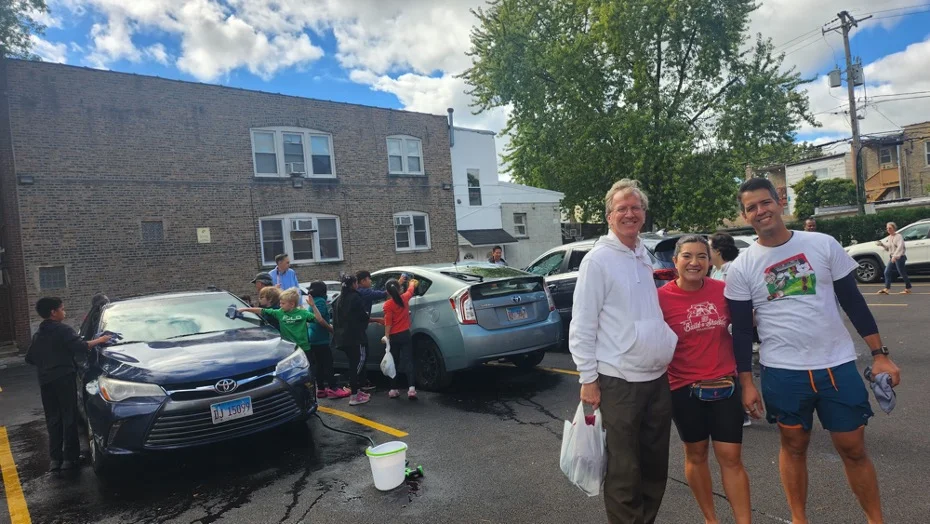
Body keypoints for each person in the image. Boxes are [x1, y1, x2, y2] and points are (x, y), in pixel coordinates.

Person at [725, 177, 901, 524]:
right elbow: (743, 330)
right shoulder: (741, 267)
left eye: (765, 202)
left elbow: (852, 301)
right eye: (752, 208)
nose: (761, 211)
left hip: (836, 365)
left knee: (853, 448)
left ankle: (876, 520)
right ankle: (799, 518)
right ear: (745, 216)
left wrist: (880, 353)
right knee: (793, 447)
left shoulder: (822, 244)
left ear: (780, 202)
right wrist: (745, 382)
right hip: (783, 372)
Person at [569, 178, 679, 524]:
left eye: (636, 207)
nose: (629, 213)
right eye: (622, 208)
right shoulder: (597, 260)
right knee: (623, 469)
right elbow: (583, 323)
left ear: (644, 214)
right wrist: (588, 378)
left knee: (654, 464)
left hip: (657, 377)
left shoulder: (642, 253)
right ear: (609, 216)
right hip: (619, 380)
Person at [658, 236, 751, 524]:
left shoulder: (724, 291)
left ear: (710, 262)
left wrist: (748, 384)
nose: (694, 263)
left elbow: (748, 327)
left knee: (731, 457)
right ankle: (711, 520)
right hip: (683, 388)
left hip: (725, 383)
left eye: (701, 256)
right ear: (675, 262)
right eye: (687, 256)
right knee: (696, 454)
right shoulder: (660, 298)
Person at [26, 297, 112, 471]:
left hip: (45, 380)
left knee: (53, 418)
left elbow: (30, 358)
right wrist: (101, 340)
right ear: (53, 312)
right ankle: (70, 459)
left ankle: (55, 459)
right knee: (69, 416)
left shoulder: (39, 333)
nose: (64, 312)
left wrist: (47, 362)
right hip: (63, 378)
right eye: (62, 309)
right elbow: (81, 346)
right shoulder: (63, 330)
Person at [238, 288, 321, 357]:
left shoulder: (303, 313)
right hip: (288, 348)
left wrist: (313, 306)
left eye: (283, 303)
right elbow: (261, 310)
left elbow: (318, 319)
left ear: (292, 304)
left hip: (304, 348)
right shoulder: (279, 312)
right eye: (280, 303)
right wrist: (245, 309)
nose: (280, 305)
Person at [332, 275, 371, 406]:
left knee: (353, 362)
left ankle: (358, 391)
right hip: (355, 337)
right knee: (358, 363)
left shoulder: (338, 300)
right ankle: (354, 394)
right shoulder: (355, 297)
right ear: (354, 284)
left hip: (342, 338)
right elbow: (363, 315)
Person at [307, 281, 349, 399]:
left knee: (319, 365)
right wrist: (331, 329)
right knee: (328, 364)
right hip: (320, 338)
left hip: (313, 338)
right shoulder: (320, 301)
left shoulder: (313, 301)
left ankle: (320, 389)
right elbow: (319, 319)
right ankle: (333, 388)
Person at [383, 276, 420, 400]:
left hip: (394, 336)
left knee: (394, 362)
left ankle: (393, 389)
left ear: (387, 292)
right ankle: (411, 389)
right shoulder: (405, 298)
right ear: (399, 289)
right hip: (405, 334)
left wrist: (387, 337)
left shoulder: (388, 305)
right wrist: (411, 283)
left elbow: (388, 322)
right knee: (409, 360)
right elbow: (410, 290)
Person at [356, 270, 389, 391]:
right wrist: (397, 285)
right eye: (369, 279)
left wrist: (376, 320)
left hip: (359, 329)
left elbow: (362, 316)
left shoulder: (360, 291)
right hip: (358, 331)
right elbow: (380, 294)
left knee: (362, 355)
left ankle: (362, 381)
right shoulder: (363, 292)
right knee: (361, 356)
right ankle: (356, 383)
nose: (370, 281)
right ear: (363, 281)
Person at [876, 221, 912, 295]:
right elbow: (888, 248)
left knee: (901, 272)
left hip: (900, 257)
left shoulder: (898, 236)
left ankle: (908, 288)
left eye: (890, 228)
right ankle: (887, 288)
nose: (888, 229)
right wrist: (882, 244)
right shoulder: (889, 237)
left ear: (894, 228)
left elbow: (900, 247)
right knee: (887, 272)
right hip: (892, 257)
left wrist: (895, 256)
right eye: (887, 228)